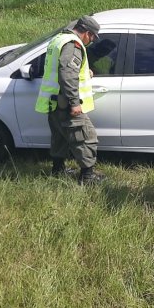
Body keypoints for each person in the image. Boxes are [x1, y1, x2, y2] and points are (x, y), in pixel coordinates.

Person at [35, 15, 106, 185]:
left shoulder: (58, 39)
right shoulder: (73, 45)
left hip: (54, 102)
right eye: (93, 38)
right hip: (67, 104)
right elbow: (67, 74)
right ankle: (87, 177)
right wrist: (74, 103)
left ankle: (58, 170)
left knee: (60, 137)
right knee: (86, 137)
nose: (92, 41)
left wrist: (85, 72)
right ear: (87, 33)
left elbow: (62, 67)